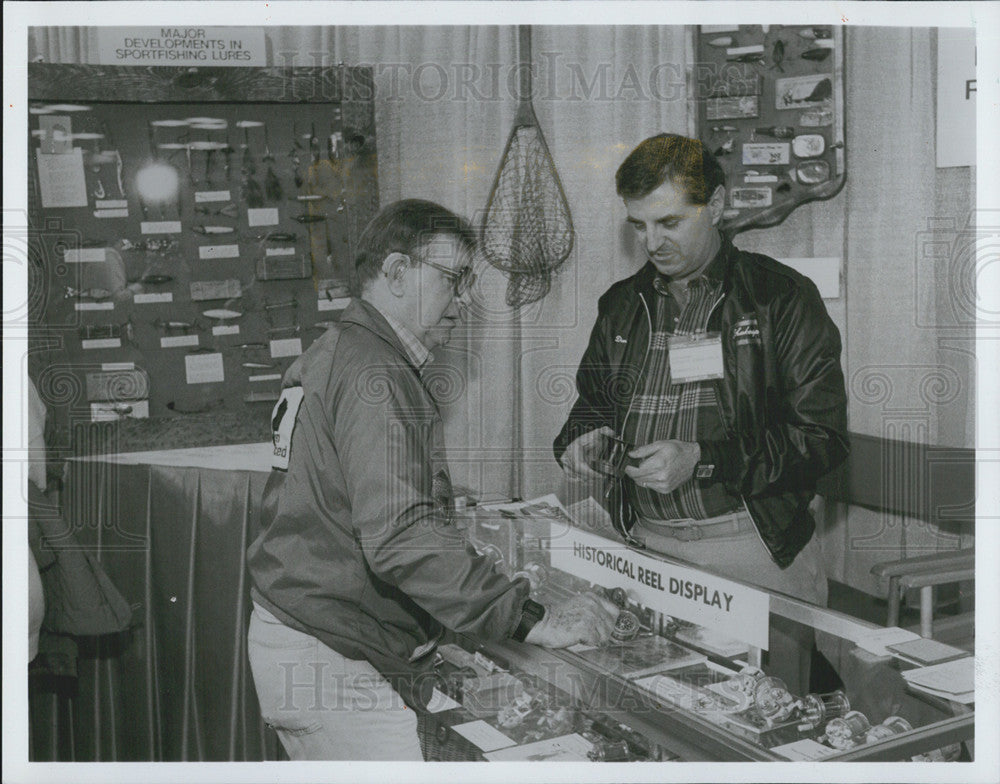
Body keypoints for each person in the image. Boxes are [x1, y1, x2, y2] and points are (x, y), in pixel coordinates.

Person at [246, 199, 618, 761]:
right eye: (454, 279)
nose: (464, 301)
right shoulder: (375, 372)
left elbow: (346, 510)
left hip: (313, 639)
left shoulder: (344, 350)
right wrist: (528, 618)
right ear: (396, 272)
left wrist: (441, 632)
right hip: (330, 653)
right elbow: (398, 538)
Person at [554, 134, 849, 695]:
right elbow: (590, 404)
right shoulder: (621, 304)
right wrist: (580, 439)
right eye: (638, 226)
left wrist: (704, 460)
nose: (651, 242)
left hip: (754, 547)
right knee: (667, 724)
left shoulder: (780, 298)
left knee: (769, 728)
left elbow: (822, 441)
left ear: (714, 206)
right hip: (649, 548)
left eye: (668, 222)